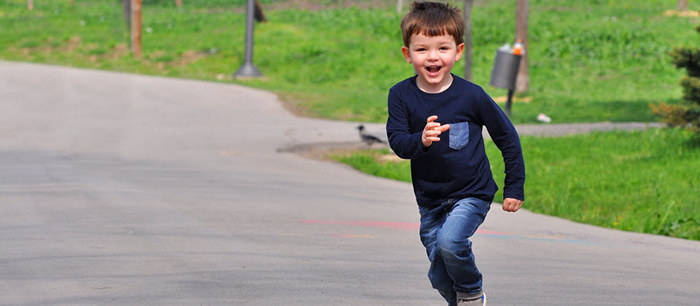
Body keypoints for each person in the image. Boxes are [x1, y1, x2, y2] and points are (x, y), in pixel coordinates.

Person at [385, 2, 525, 305]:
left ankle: (473, 292)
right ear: (407, 54)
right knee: (438, 275)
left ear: (457, 51)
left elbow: (507, 137)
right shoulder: (400, 95)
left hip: (471, 193)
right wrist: (420, 140)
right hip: (430, 200)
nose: (433, 57)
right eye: (422, 50)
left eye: (442, 48)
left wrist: (514, 186)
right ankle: (465, 301)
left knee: (451, 243)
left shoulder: (472, 95)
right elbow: (397, 142)